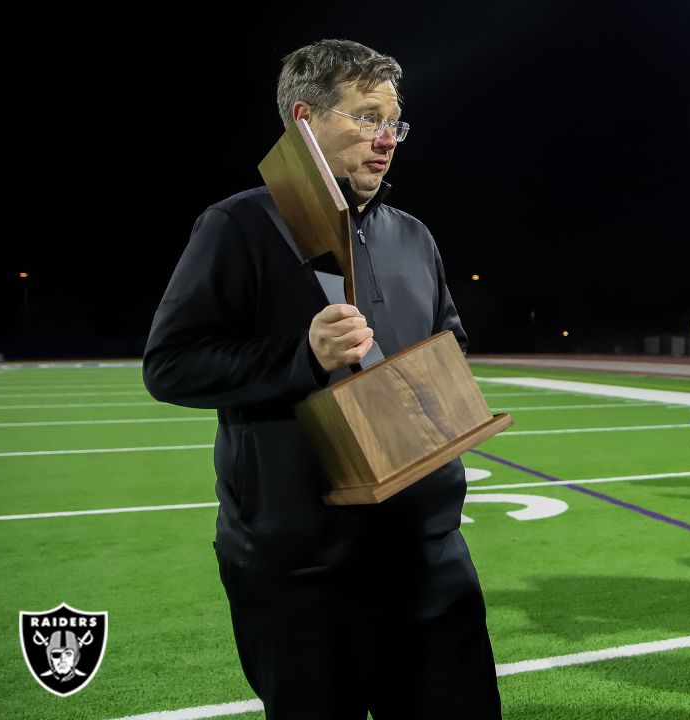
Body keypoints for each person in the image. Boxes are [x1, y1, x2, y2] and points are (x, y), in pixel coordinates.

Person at [143, 39, 501, 719]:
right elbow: (170, 364)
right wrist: (301, 355)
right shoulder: (238, 226)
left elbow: (449, 339)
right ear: (304, 118)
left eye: (395, 123)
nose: (387, 138)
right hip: (301, 572)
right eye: (367, 117)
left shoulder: (412, 235)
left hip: (426, 557)